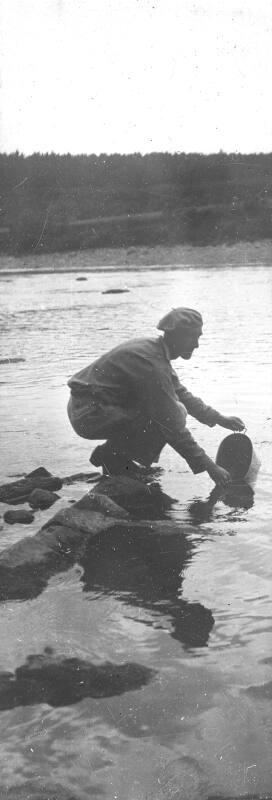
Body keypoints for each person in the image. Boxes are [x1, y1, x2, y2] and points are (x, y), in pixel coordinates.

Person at [67, 307, 245, 485]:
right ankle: (114, 459)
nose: (196, 344)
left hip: (91, 407)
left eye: (198, 337)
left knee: (170, 408)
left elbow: (181, 393)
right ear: (177, 336)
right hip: (89, 413)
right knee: (169, 416)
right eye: (193, 337)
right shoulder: (152, 364)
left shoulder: (156, 350)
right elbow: (172, 425)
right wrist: (210, 467)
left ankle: (114, 456)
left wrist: (219, 418)